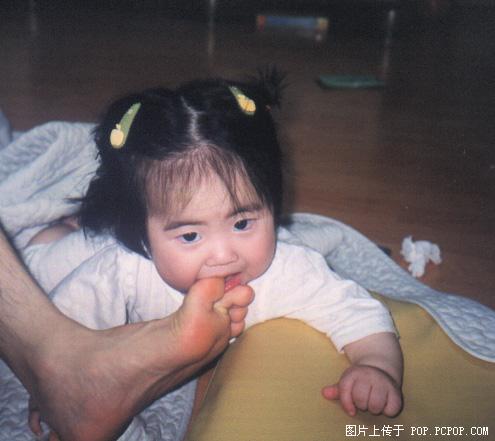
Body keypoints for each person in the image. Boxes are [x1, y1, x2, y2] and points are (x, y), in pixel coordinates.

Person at [22, 73, 403, 438]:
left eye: (242, 223)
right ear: (143, 235)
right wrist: (52, 387)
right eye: (190, 235)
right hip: (82, 252)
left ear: (273, 205)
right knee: (39, 266)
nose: (223, 255)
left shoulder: (290, 270)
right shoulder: (121, 270)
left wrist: (375, 365)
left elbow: (357, 312)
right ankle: (62, 228)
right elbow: (63, 334)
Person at [0, 226, 252, 441]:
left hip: (51, 253)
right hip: (40, 257)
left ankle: (60, 368)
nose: (222, 255)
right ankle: (58, 366)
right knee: (60, 245)